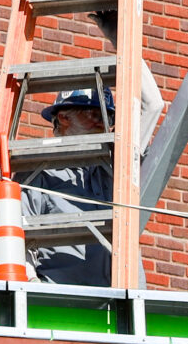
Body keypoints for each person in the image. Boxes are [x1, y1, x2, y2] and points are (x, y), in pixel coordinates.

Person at [17, 75, 163, 288]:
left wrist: (116, 40)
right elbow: (19, 237)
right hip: (58, 302)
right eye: (94, 114)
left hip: (115, 303)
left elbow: (153, 105)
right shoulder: (39, 173)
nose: (103, 124)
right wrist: (31, 285)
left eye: (108, 118)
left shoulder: (115, 165)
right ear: (65, 118)